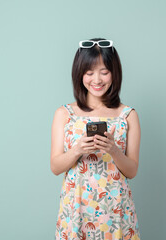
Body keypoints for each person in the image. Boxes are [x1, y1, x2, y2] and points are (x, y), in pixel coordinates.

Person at [51, 38, 141, 240]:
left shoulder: (127, 115)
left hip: (116, 211)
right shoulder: (64, 114)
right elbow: (55, 166)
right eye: (89, 72)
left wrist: (113, 150)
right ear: (79, 74)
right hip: (76, 210)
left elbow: (132, 170)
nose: (97, 80)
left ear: (114, 73)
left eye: (104, 72)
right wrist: (77, 150)